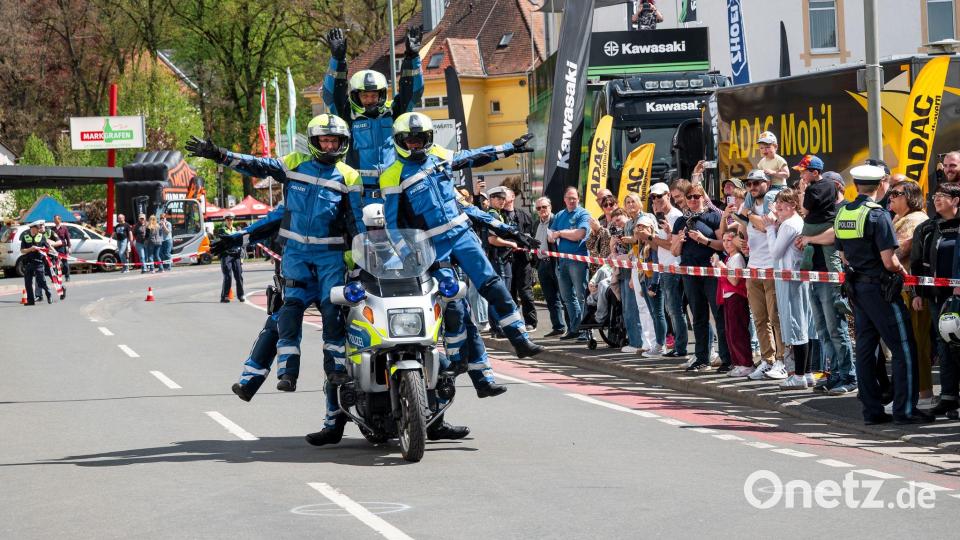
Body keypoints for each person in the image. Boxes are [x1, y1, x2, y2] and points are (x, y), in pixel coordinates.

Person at [187, 113, 376, 446]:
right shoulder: (294, 164)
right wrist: (220, 155)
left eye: (335, 141)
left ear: (343, 144)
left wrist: (363, 261)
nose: (330, 146)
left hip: (331, 258)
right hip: (296, 258)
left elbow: (355, 223)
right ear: (315, 142)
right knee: (283, 316)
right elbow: (258, 168)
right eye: (325, 141)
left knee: (335, 325)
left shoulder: (349, 176)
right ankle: (268, 377)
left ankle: (334, 413)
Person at [380, 112, 544, 360]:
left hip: (462, 235)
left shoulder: (439, 155)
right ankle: (457, 360)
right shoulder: (391, 175)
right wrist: (408, 256)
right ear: (399, 141)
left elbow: (474, 156)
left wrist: (509, 148)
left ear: (429, 138)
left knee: (492, 283)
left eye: (420, 138)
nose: (415, 143)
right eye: (409, 140)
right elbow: (393, 227)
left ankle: (520, 338)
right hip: (433, 246)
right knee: (452, 298)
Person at [835, 164, 932, 425]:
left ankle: (872, 411)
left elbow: (842, 254)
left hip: (856, 287)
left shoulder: (843, 211)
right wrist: (902, 273)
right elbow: (889, 260)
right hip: (881, 289)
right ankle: (905, 411)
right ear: (880, 186)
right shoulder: (877, 215)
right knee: (904, 347)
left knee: (865, 350)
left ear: (856, 185)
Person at [323, 25, 423, 204]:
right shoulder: (348, 116)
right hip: (358, 191)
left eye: (374, 95)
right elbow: (332, 95)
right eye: (365, 96)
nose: (369, 100)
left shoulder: (394, 114)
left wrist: (412, 57)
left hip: (394, 188)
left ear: (381, 95)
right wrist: (337, 59)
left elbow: (412, 92)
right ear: (356, 96)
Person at [796, 169, 857, 395]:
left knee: (836, 329)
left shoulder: (845, 209)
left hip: (831, 277)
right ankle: (834, 374)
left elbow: (834, 234)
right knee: (822, 329)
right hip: (815, 274)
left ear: (837, 187)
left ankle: (848, 375)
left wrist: (810, 238)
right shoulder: (818, 211)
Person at [911, 182, 960, 417]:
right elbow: (918, 263)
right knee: (944, 345)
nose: (937, 199)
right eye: (935, 196)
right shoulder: (928, 228)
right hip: (937, 298)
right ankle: (949, 397)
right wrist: (918, 293)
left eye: (943, 196)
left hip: (958, 296)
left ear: (956, 200)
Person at [670, 183, 728, 372]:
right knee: (698, 316)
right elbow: (674, 251)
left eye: (696, 196)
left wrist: (704, 240)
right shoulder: (680, 221)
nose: (693, 200)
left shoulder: (713, 216)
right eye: (689, 197)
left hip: (710, 271)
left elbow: (723, 245)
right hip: (689, 272)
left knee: (718, 314)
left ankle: (726, 358)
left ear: (703, 197)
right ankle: (702, 358)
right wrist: (679, 241)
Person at [765, 189, 812, 388]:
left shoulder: (788, 225)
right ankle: (806, 372)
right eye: (777, 205)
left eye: (782, 205)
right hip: (797, 277)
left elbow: (775, 252)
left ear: (793, 205)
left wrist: (769, 228)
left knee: (796, 326)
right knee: (804, 325)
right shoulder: (796, 222)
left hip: (789, 278)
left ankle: (799, 375)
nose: (778, 209)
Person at [743, 169, 786, 380]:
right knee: (759, 320)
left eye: (757, 183)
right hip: (753, 268)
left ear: (767, 184)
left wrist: (748, 214)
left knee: (775, 318)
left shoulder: (772, 206)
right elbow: (749, 232)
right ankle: (767, 360)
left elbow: (762, 226)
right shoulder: (750, 208)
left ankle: (782, 360)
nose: (752, 187)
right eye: (750, 184)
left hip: (771, 268)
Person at [648, 181, 688, 358]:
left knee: (675, 309)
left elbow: (672, 243)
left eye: (659, 196)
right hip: (665, 267)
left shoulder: (675, 216)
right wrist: (650, 239)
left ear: (668, 196)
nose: (656, 200)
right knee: (673, 309)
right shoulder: (659, 216)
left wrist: (652, 238)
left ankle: (681, 348)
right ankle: (680, 346)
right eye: (653, 197)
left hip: (674, 267)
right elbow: (659, 246)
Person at [551, 187, 593, 341]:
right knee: (567, 297)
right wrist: (565, 232)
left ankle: (586, 331)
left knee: (582, 296)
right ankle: (575, 328)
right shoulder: (560, 215)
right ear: (564, 199)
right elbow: (550, 236)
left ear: (578, 199)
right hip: (562, 261)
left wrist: (561, 233)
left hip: (578, 260)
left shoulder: (583, 214)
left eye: (574, 198)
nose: (571, 200)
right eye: (569, 198)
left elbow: (579, 235)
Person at [713, 227, 752, 376]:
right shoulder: (729, 258)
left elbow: (735, 281)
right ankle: (738, 363)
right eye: (724, 241)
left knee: (738, 332)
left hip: (737, 297)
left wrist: (721, 266)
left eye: (729, 240)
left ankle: (746, 363)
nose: (726, 244)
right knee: (730, 333)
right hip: (728, 297)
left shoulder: (737, 258)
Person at [503, 187, 538, 331]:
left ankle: (530, 322)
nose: (502, 198)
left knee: (525, 291)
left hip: (523, 259)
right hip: (506, 259)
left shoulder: (523, 215)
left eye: (505, 194)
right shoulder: (497, 215)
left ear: (512, 197)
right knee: (508, 292)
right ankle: (513, 322)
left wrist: (534, 261)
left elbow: (531, 236)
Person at [534, 197, 567, 337]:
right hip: (542, 263)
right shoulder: (536, 223)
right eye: (539, 208)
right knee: (550, 297)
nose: (542, 210)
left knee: (564, 296)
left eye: (544, 207)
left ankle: (573, 328)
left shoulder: (557, 220)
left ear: (550, 207)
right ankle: (558, 326)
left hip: (556, 262)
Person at [19, 220, 54, 305]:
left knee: (41, 282)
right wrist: (30, 249)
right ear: (32, 228)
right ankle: (30, 301)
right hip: (28, 263)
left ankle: (48, 294)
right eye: (36, 228)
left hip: (38, 263)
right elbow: (22, 251)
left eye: (38, 228)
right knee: (28, 283)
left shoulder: (41, 237)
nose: (38, 230)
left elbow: (48, 248)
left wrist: (47, 250)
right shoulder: (25, 237)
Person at [219, 213, 245, 302]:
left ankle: (241, 295)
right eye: (228, 220)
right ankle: (225, 296)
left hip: (236, 255)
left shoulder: (236, 230)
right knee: (227, 276)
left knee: (239, 275)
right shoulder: (222, 230)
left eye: (231, 219)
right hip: (226, 255)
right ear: (225, 220)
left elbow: (240, 244)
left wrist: (241, 256)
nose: (230, 221)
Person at [52, 215, 71, 282]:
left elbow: (68, 239)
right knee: (55, 263)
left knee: (65, 262)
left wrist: (69, 247)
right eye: (54, 219)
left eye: (55, 219)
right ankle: (56, 277)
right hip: (55, 248)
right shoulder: (53, 229)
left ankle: (67, 276)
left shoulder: (64, 228)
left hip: (62, 247)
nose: (54, 220)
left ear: (59, 220)